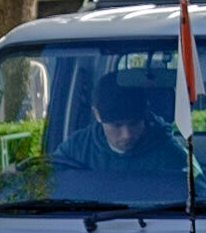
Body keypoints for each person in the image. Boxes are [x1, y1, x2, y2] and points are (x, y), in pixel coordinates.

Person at [52, 73, 194, 180]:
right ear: (97, 114)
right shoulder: (75, 148)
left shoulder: (172, 154)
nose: (127, 134)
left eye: (134, 123)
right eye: (117, 125)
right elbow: (46, 189)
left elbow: (202, 199)